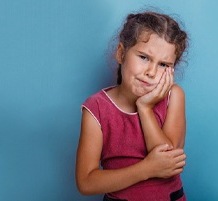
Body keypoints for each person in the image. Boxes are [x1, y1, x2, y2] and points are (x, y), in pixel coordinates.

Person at [76, 11, 189, 201]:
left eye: (163, 65)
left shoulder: (174, 96)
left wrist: (145, 109)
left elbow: (168, 162)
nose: (151, 72)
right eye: (144, 57)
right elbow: (86, 182)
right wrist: (146, 169)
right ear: (121, 53)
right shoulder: (96, 108)